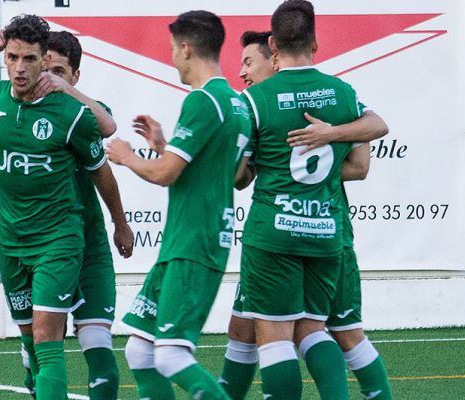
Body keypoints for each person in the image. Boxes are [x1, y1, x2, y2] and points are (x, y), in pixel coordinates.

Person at [0, 27, 131, 400]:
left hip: (77, 240)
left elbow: (107, 130)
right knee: (36, 347)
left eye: (55, 72)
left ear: (74, 77)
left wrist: (120, 223)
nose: (42, 77)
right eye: (20, 60)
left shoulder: (78, 112)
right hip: (19, 240)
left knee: (88, 349)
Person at [219, 30, 392, 400]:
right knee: (257, 327)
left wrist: (277, 166)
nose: (243, 72)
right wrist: (331, 136)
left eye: (249, 62)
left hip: (278, 231)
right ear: (312, 44)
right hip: (323, 227)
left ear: (274, 53)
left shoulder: (255, 102)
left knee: (299, 333)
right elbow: (366, 150)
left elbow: (236, 176)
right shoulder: (340, 95)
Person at [105, 10, 250, 400]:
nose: (171, 58)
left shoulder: (203, 101)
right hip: (184, 242)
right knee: (140, 350)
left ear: (186, 49)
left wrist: (126, 156)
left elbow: (165, 174)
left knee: (169, 356)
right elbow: (236, 175)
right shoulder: (235, 104)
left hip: (194, 242)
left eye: (172, 49)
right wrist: (163, 146)